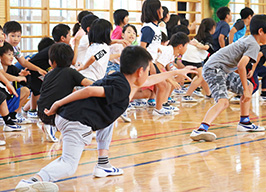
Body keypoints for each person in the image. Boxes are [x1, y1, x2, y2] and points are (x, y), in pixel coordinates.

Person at [14, 46, 197, 191]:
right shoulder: (123, 88)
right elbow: (88, 90)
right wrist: (57, 104)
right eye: (148, 70)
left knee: (110, 116)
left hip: (73, 116)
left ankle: (103, 164)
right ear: (140, 71)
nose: (149, 74)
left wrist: (175, 73)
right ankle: (32, 181)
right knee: (69, 165)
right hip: (75, 120)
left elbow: (150, 81)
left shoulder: (123, 79)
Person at [190, 15, 266, 142]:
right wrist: (245, 90)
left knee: (250, 86)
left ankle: (244, 122)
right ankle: (200, 130)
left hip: (222, 70)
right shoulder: (254, 45)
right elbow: (241, 65)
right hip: (214, 69)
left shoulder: (251, 39)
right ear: (261, 31)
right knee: (223, 102)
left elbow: (262, 41)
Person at [37, 43, 93, 143]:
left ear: (52, 62)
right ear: (71, 60)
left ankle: (50, 124)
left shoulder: (48, 75)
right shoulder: (71, 72)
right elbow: (89, 84)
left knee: (73, 94)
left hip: (41, 111)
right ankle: (52, 126)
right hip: (55, 113)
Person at [23, 24, 72, 118]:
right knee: (37, 90)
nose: (70, 37)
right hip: (33, 70)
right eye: (69, 35)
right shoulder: (56, 49)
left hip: (38, 70)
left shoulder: (56, 47)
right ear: (63, 38)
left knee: (38, 90)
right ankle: (32, 110)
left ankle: (27, 109)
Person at [181, 18, 215, 102]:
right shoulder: (208, 36)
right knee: (201, 76)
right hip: (193, 58)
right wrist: (197, 45)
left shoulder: (200, 34)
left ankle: (208, 93)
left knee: (202, 76)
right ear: (212, 28)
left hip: (187, 56)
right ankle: (187, 95)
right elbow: (206, 47)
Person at [0, 42, 31, 124]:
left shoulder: (13, 68)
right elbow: (4, 75)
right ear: (0, 57)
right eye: (9, 54)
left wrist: (23, 76)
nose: (12, 57)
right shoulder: (1, 72)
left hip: (8, 100)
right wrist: (17, 78)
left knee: (26, 90)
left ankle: (12, 115)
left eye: (12, 54)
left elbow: (24, 82)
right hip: (2, 100)